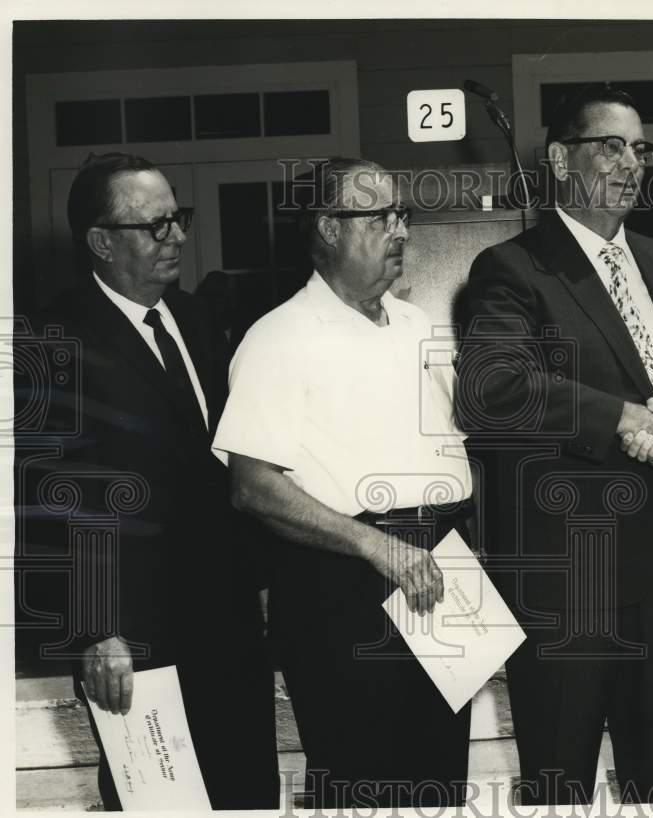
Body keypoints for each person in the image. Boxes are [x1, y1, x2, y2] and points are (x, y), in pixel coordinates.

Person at [456, 85, 653, 805]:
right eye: (610, 145)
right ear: (557, 158)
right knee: (559, 780)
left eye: (640, 149)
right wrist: (623, 418)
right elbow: (492, 386)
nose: (630, 163)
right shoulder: (513, 269)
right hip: (568, 579)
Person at [211, 157, 474, 810]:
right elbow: (252, 485)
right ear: (328, 227)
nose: (399, 231)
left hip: (441, 568)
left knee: (440, 780)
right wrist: (374, 546)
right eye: (378, 217)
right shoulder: (278, 338)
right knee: (362, 785)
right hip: (343, 586)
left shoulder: (421, 327)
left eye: (401, 215)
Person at [23, 152, 278, 809]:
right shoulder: (53, 340)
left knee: (245, 793)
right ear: (101, 244)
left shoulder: (197, 321)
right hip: (135, 640)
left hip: (227, 622)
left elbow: (227, 468)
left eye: (179, 219)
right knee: (160, 804)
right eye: (155, 225)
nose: (178, 237)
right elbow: (54, 500)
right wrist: (95, 630)